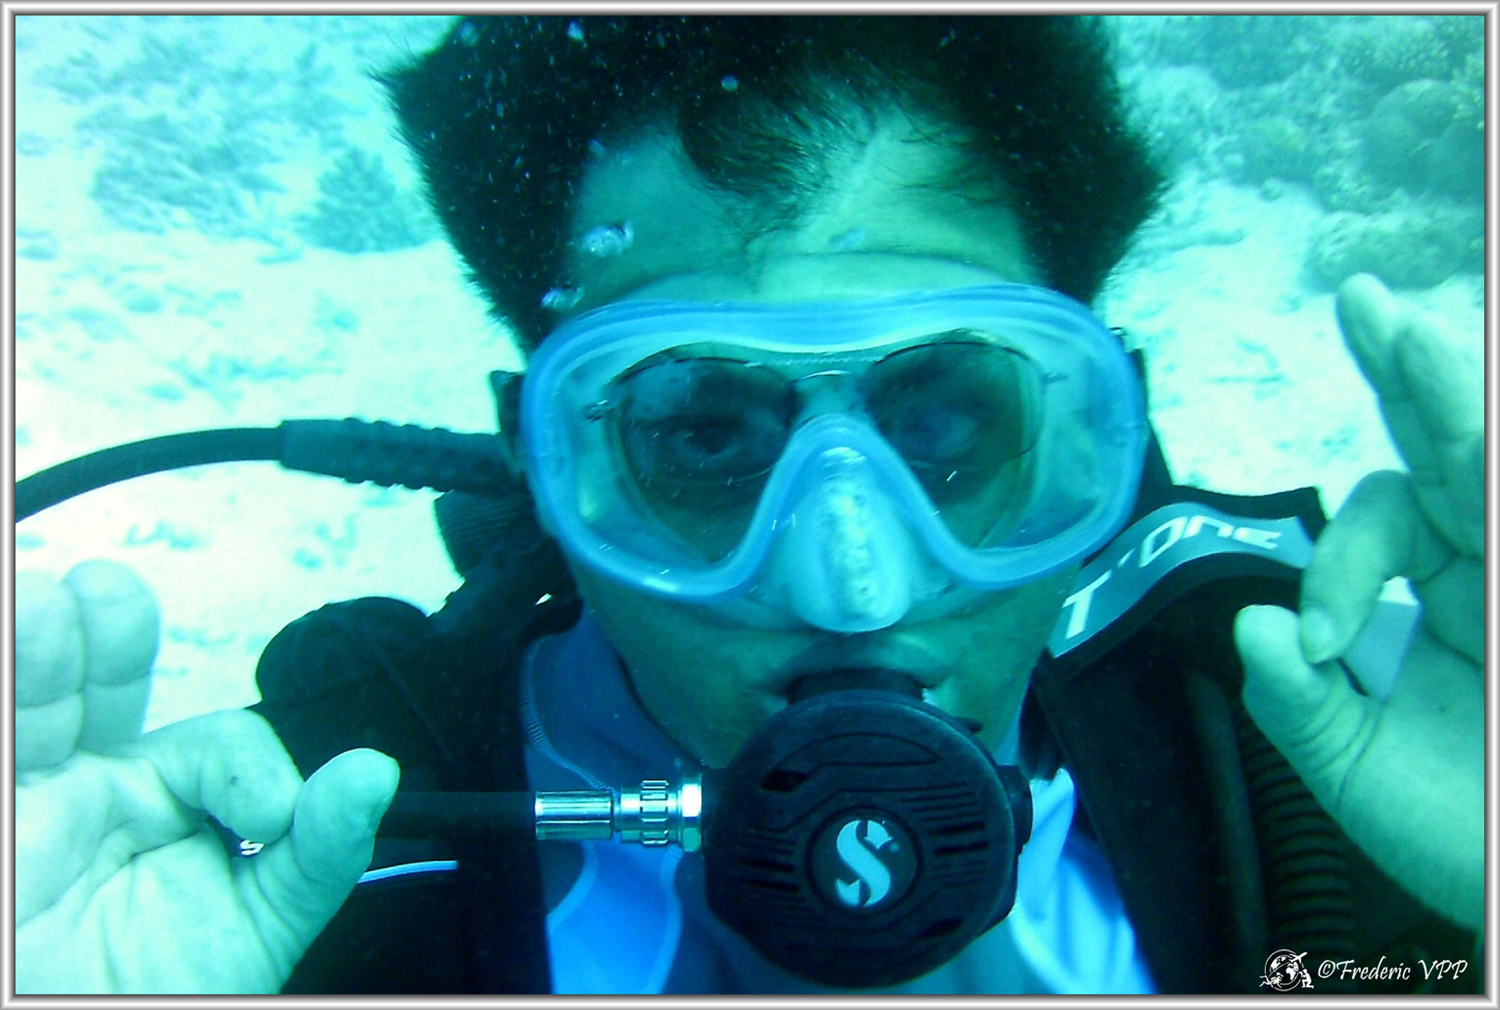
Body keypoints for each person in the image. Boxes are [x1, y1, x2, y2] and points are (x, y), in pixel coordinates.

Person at [15, 15, 1484, 994]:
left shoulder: (1310, 746)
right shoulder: (323, 859)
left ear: (1097, 433)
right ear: (545, 463)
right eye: (706, 436)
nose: (854, 586)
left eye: (946, 421)